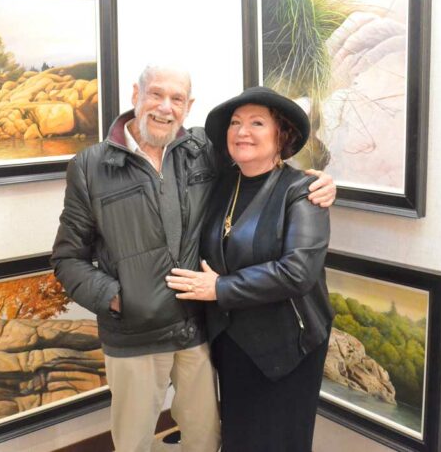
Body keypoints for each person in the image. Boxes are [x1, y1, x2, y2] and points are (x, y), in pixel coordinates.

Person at [51, 67, 335, 452]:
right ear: (136, 94)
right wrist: (119, 298)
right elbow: (68, 258)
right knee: (133, 443)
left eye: (177, 99)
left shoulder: (202, 152)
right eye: (156, 95)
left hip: (198, 333)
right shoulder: (90, 166)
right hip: (136, 334)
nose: (165, 108)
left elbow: (268, 174)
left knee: (207, 440)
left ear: (189, 107)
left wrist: (325, 181)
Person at [166, 86, 334, 452]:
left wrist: (220, 288)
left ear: (282, 136)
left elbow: (298, 272)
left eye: (257, 123)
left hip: (288, 346)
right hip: (233, 341)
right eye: (236, 123)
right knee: (241, 438)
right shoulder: (222, 182)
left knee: (279, 441)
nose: (243, 131)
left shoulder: (303, 191)